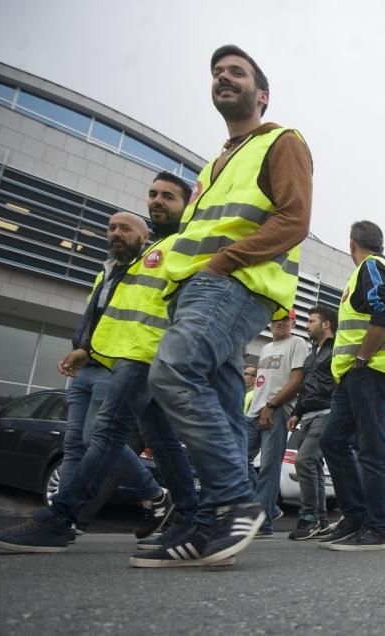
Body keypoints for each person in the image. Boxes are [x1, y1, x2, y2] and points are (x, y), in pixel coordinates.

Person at [147, 44, 313, 566]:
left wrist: (222, 264)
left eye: (236, 72)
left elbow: (293, 219)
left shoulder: (281, 141)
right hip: (196, 288)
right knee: (220, 402)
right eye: (217, 73)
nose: (224, 77)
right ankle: (209, 522)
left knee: (171, 374)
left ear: (261, 94)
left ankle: (233, 502)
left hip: (234, 282)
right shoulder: (216, 163)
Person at [0, 211, 186, 554]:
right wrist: (81, 349)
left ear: (143, 238)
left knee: (99, 437)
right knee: (75, 444)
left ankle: (153, 495)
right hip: (86, 363)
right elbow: (96, 320)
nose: (116, 233)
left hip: (118, 365)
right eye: (111, 228)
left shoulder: (145, 270)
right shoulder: (103, 272)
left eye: (125, 228)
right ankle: (67, 521)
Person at [318, 221, 385, 552]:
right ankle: (355, 517)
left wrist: (361, 359)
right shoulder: (364, 272)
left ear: (352, 242)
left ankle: (375, 528)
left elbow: (382, 314)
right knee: (333, 441)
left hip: (370, 371)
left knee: (372, 449)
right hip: (353, 375)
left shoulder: (371, 267)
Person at [246, 310, 308, 536]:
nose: (279, 323)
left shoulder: (297, 343)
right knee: (237, 460)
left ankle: (262, 523)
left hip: (277, 410)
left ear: (293, 321)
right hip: (254, 410)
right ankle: (268, 507)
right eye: (275, 319)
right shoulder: (265, 348)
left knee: (269, 469)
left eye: (284, 319)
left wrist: (271, 406)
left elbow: (297, 381)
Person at [285, 306, 336, 540]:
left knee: (304, 460)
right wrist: (296, 412)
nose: (307, 325)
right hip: (306, 416)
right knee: (313, 467)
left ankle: (308, 517)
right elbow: (305, 387)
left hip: (327, 413)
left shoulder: (337, 350)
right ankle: (322, 521)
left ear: (325, 324)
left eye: (311, 321)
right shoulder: (312, 354)